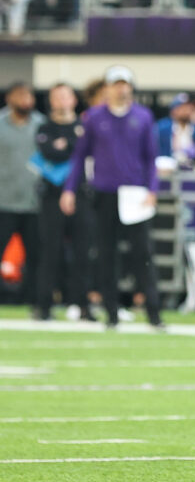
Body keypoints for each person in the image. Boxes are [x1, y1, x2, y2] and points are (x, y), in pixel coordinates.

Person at [61, 66, 163, 329]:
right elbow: (80, 156)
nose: (121, 89)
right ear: (107, 88)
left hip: (135, 194)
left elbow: (151, 158)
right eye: (116, 84)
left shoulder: (142, 116)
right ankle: (112, 313)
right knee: (107, 255)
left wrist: (153, 189)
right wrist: (70, 189)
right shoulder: (95, 117)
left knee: (143, 254)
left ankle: (153, 313)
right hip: (105, 192)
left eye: (125, 84)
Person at [33, 83, 89, 321]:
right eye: (57, 97)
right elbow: (49, 153)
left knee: (83, 251)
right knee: (50, 251)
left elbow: (83, 152)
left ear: (74, 100)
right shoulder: (44, 126)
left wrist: (66, 146)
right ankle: (44, 305)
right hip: (52, 197)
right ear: (51, 101)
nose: (62, 101)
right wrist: (69, 147)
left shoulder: (85, 126)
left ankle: (81, 304)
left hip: (82, 195)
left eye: (66, 95)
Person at [0, 81, 44, 317]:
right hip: (3, 201)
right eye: (20, 95)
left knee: (36, 257)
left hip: (33, 202)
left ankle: (36, 302)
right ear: (9, 98)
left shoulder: (42, 125)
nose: (25, 100)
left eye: (28, 96)